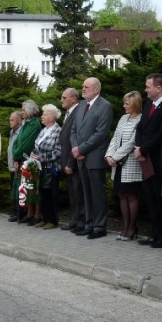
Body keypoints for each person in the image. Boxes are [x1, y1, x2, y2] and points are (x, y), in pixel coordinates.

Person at [135, 74, 162, 247]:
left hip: (158, 160)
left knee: (160, 199)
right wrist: (138, 147)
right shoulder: (148, 105)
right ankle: (154, 233)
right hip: (145, 159)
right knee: (150, 198)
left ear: (159, 88)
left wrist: (143, 149)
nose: (145, 90)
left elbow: (161, 134)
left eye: (148, 87)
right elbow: (140, 128)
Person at [70, 77, 113, 239]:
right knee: (86, 192)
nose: (83, 89)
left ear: (96, 89)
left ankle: (99, 226)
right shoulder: (82, 105)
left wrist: (81, 149)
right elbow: (74, 130)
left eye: (86, 87)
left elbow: (101, 133)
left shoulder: (105, 106)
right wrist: (76, 148)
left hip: (94, 156)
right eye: (83, 86)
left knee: (97, 192)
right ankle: (89, 223)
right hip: (80, 157)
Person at [106, 91, 144, 241]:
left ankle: (132, 228)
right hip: (118, 164)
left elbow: (132, 142)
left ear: (135, 104)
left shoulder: (140, 120)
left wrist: (115, 156)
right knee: (122, 195)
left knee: (131, 196)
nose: (124, 106)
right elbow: (115, 138)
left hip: (131, 164)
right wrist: (109, 155)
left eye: (127, 103)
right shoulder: (123, 118)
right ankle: (125, 226)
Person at [31, 104, 62, 229]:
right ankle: (44, 218)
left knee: (51, 193)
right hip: (41, 167)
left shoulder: (58, 131)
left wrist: (41, 158)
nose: (42, 116)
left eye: (45, 114)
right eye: (42, 114)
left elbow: (58, 151)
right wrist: (33, 154)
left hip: (51, 167)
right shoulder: (43, 130)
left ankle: (52, 220)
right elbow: (37, 146)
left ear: (52, 117)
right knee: (43, 193)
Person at [12, 100, 42, 224]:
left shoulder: (35, 125)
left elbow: (27, 144)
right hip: (21, 159)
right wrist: (15, 157)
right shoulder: (25, 123)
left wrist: (16, 154)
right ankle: (29, 213)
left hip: (29, 160)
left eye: (24, 110)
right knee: (25, 187)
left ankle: (36, 214)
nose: (22, 112)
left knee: (32, 188)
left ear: (30, 110)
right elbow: (16, 142)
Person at [59, 89, 85, 231]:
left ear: (73, 99)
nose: (61, 100)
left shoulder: (78, 112)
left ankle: (82, 220)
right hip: (66, 160)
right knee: (73, 192)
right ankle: (75, 219)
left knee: (78, 191)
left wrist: (70, 162)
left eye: (64, 97)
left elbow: (75, 140)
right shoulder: (69, 113)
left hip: (74, 160)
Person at [5, 111, 24, 222]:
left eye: (12, 120)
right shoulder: (12, 131)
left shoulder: (21, 132)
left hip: (18, 165)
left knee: (19, 190)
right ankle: (15, 211)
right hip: (12, 165)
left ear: (19, 121)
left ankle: (20, 213)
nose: (10, 122)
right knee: (14, 189)